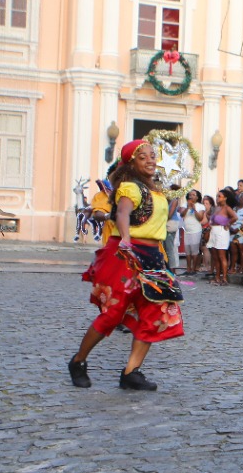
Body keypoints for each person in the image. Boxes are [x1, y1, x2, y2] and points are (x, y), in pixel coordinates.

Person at [67, 140, 183, 391]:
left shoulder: (158, 191)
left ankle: (131, 371)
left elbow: (163, 217)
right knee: (113, 314)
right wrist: (127, 239)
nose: (151, 160)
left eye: (153, 156)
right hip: (127, 254)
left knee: (155, 314)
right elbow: (122, 213)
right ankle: (78, 361)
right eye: (144, 158)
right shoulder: (129, 187)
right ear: (132, 163)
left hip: (153, 255)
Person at [206, 192, 233, 285]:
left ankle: (224, 277)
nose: (217, 198)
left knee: (221, 255)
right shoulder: (217, 208)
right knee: (215, 256)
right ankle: (217, 276)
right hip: (214, 230)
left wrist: (228, 223)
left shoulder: (227, 208)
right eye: (217, 196)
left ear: (225, 198)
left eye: (220, 196)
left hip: (222, 231)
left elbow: (235, 217)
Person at [180, 188, 205, 273]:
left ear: (197, 197)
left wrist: (194, 209)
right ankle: (188, 269)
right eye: (190, 195)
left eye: (193, 195)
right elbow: (182, 214)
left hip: (196, 230)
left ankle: (193, 269)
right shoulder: (184, 204)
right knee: (187, 250)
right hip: (187, 230)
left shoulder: (200, 206)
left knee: (194, 251)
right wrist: (187, 207)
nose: (191, 196)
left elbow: (200, 218)